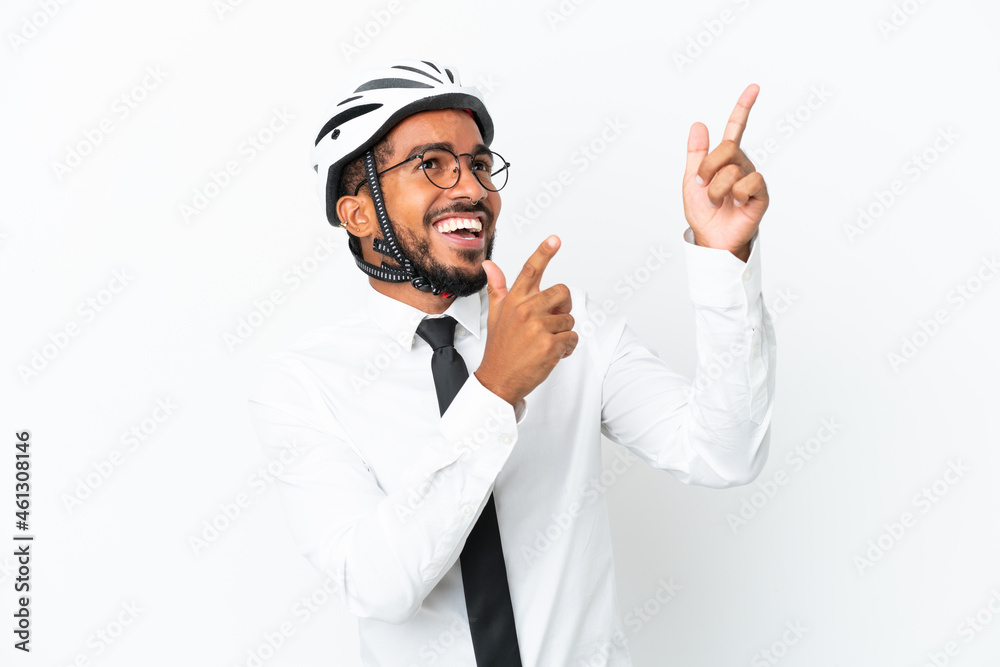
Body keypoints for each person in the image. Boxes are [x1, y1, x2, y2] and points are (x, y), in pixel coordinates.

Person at [248, 59, 776, 667]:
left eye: (477, 164)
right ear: (358, 212)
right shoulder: (303, 384)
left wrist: (724, 258)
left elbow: (724, 453)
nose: (471, 188)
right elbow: (380, 586)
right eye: (433, 164)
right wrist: (494, 389)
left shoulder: (569, 327)